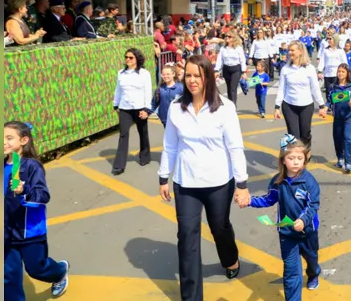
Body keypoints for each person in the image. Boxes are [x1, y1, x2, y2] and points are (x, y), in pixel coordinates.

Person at [158, 55, 251, 299]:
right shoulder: (177, 108)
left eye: (197, 75)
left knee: (219, 227)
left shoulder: (225, 108)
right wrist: (163, 177)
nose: (192, 80)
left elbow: (235, 147)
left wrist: (242, 184)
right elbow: (170, 146)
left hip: (219, 182)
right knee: (187, 236)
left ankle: (230, 258)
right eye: (187, 75)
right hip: (186, 183)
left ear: (208, 77)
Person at [243, 136, 322, 300]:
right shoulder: (278, 182)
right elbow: (268, 199)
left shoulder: (309, 182)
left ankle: (314, 274)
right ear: (283, 160)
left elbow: (313, 204)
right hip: (287, 234)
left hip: (308, 232)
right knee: (291, 272)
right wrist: (250, 200)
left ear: (305, 160)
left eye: (299, 158)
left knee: (312, 259)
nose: (295, 162)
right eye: (291, 158)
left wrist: (303, 220)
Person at [4, 121, 70, 300]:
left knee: (37, 268)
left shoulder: (31, 166)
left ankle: (60, 272)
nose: (3, 142)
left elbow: (43, 196)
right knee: (8, 278)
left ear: (24, 140)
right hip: (5, 233)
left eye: (9, 138)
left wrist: (23, 190)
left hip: (29, 231)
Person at [276, 41, 327, 150]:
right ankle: (297, 157)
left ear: (300, 51)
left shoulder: (310, 69)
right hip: (289, 105)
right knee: (293, 136)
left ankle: (306, 152)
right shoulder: (285, 69)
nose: (290, 52)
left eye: (292, 50)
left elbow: (315, 88)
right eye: (289, 50)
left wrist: (321, 106)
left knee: (305, 134)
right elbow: (281, 89)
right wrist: (277, 107)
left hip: (306, 106)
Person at [111, 48, 153, 176]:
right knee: (123, 134)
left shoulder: (144, 73)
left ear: (137, 59)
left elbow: (148, 91)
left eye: (131, 57)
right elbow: (118, 90)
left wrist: (146, 109)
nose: (128, 59)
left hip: (140, 107)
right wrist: (115, 105)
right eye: (126, 57)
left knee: (143, 132)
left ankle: (144, 157)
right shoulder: (121, 73)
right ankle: (119, 165)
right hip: (125, 108)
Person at [327, 64, 351, 173]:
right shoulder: (333, 86)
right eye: (339, 71)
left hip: (348, 117)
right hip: (337, 117)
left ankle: (348, 162)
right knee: (337, 138)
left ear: (347, 74)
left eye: (343, 72)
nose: (340, 73)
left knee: (347, 138)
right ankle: (340, 158)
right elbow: (329, 100)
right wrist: (325, 108)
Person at [215, 33, 248, 105]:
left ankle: (233, 107)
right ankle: (230, 105)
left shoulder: (238, 48)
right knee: (229, 89)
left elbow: (242, 60)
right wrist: (217, 70)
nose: (227, 38)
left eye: (229, 36)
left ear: (234, 38)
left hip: (236, 69)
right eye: (226, 36)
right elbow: (220, 60)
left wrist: (243, 72)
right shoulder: (223, 48)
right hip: (226, 69)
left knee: (233, 88)